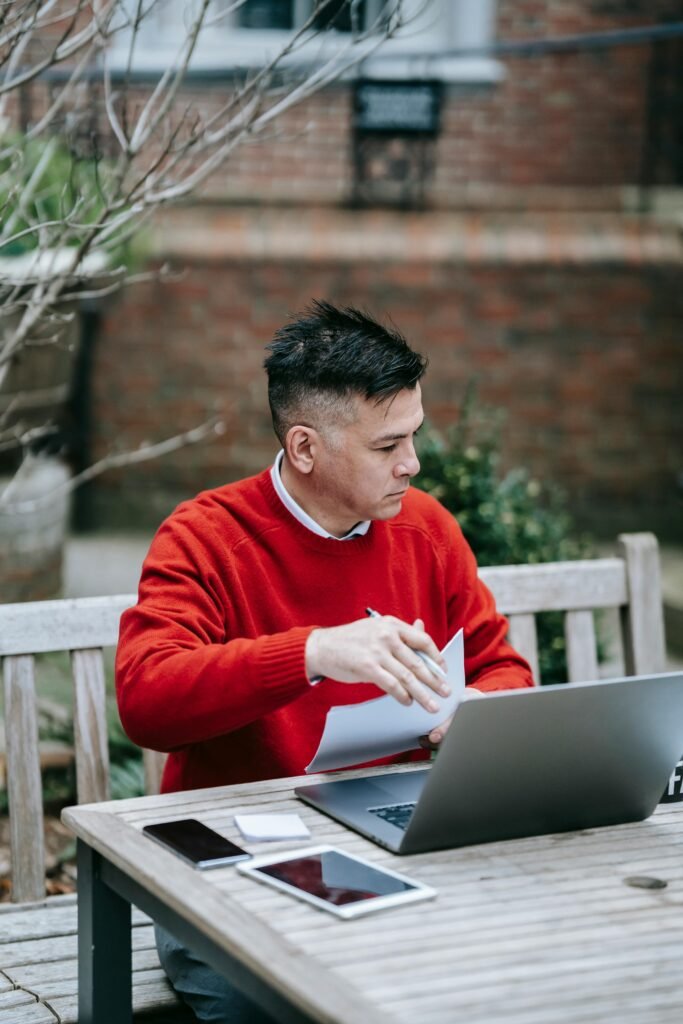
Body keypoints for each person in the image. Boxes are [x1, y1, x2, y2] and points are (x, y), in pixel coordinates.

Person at [116, 300, 533, 1022]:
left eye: (414, 436)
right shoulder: (205, 537)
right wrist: (311, 651)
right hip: (240, 875)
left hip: (400, 847)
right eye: (386, 446)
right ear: (304, 448)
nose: (414, 462)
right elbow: (147, 698)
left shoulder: (426, 529)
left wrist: (475, 713)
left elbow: (502, 667)